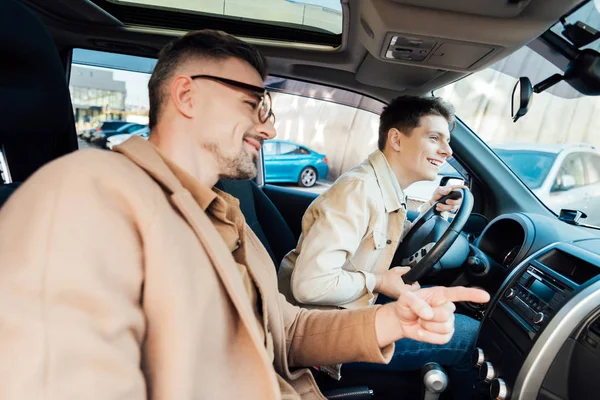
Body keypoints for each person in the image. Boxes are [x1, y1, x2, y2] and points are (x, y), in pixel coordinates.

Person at [0, 30, 489, 399]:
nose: (269, 125)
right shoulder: (87, 197)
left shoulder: (225, 212)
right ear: (187, 96)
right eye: (253, 104)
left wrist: (393, 322)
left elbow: (289, 331)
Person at [278, 96, 480, 398]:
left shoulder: (384, 188)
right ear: (396, 139)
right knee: (467, 335)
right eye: (434, 137)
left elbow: (388, 241)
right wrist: (378, 281)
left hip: (344, 313)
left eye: (447, 141)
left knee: (446, 319)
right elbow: (310, 285)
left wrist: (431, 209)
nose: (448, 151)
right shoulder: (358, 191)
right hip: (320, 342)